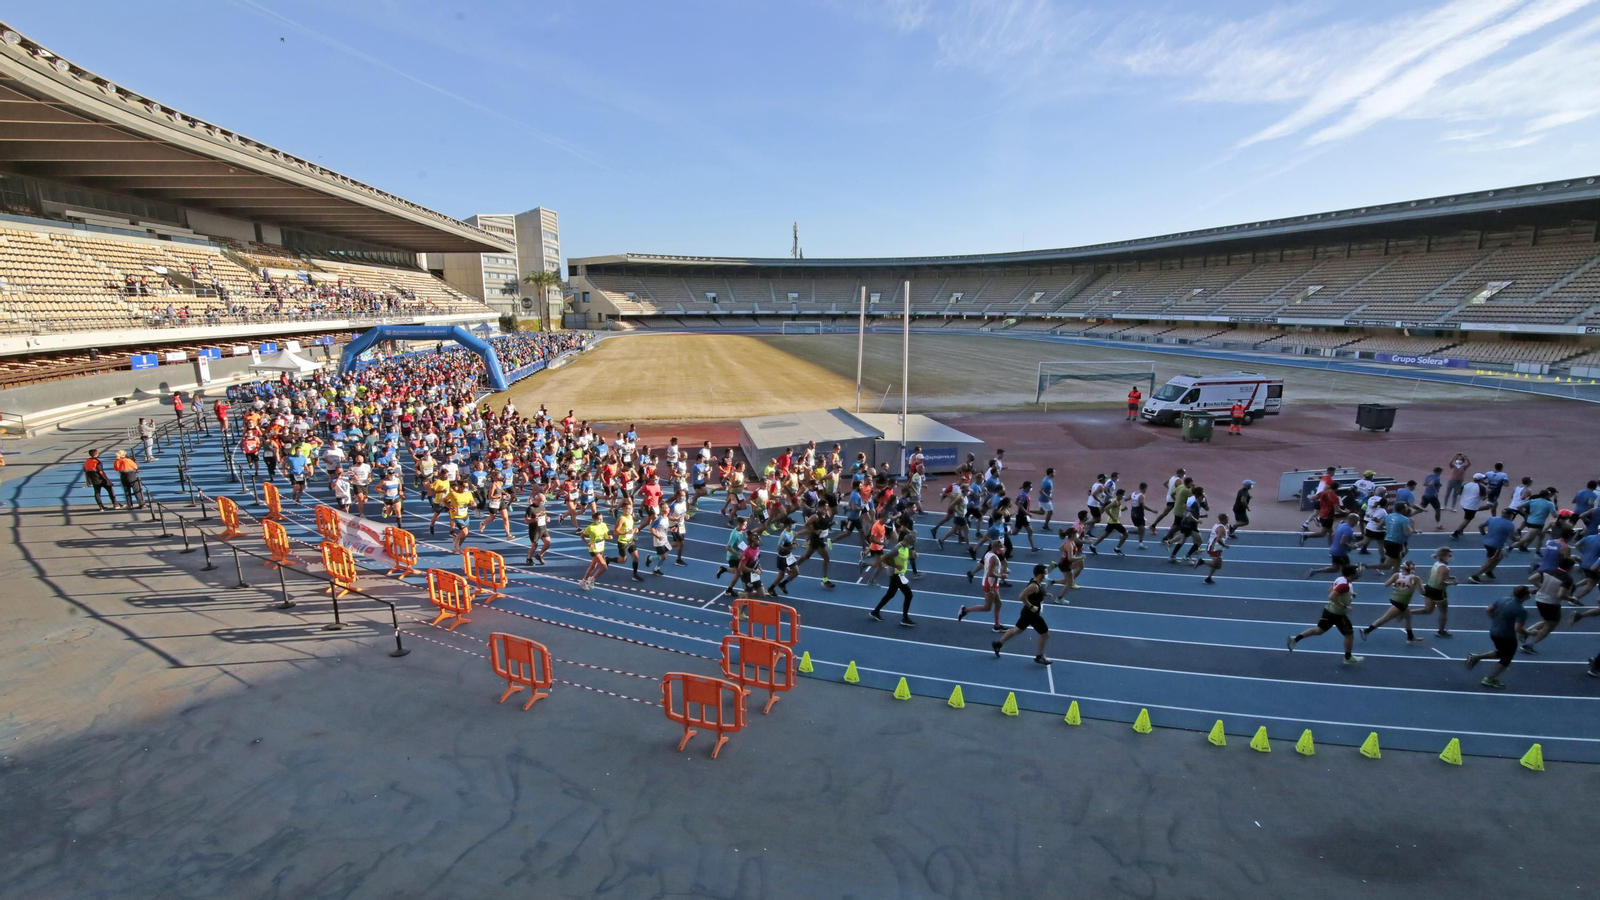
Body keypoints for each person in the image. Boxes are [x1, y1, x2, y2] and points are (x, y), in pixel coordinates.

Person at [1286, 564, 1364, 665]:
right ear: (1351, 574)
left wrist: (1349, 595)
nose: (1358, 573)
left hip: (1329, 610)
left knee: (1319, 630)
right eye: (1356, 571)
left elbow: (1331, 589)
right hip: (1338, 614)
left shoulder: (1341, 579)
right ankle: (1348, 658)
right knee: (1349, 635)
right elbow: (1331, 596)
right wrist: (1344, 606)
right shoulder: (1344, 585)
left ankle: (1295, 639)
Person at [1464, 586, 1533, 690]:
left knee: (1502, 652)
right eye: (1528, 593)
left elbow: (1489, 609)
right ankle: (1489, 679)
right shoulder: (1521, 610)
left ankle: (1476, 657)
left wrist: (1496, 619)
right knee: (1507, 658)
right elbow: (1518, 628)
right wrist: (1530, 632)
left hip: (1494, 632)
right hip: (1506, 636)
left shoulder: (1503, 599)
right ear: (1525, 596)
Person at [992, 564, 1052, 665]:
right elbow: (1022, 596)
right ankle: (1039, 656)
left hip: (1026, 613)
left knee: (1017, 630)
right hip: (1032, 615)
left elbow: (1037, 592)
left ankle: (998, 644)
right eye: (1045, 573)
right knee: (1045, 634)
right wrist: (1031, 606)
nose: (1046, 575)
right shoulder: (1033, 586)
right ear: (1039, 574)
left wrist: (1044, 594)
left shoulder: (1038, 582)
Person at [1519, 558, 1576, 654]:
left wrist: (1542, 587)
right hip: (1551, 603)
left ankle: (1526, 632)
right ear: (1570, 567)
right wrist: (1571, 599)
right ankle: (1529, 645)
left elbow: (1531, 579)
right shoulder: (1567, 578)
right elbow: (1561, 595)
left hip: (1539, 598)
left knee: (1548, 620)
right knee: (1550, 626)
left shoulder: (1549, 570)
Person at [1361, 560, 1423, 643]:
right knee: (1385, 618)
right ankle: (1366, 631)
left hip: (1396, 599)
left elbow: (1386, 584)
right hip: (1401, 602)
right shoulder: (1415, 578)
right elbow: (1422, 592)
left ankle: (1410, 636)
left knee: (1408, 616)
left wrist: (1397, 585)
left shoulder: (1397, 575)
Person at [870, 529, 917, 626]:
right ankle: (905, 618)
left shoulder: (905, 547)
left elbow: (905, 555)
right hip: (896, 575)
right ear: (906, 542)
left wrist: (912, 555)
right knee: (909, 595)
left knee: (890, 594)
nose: (911, 546)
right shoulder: (897, 549)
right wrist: (895, 566)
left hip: (900, 574)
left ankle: (875, 612)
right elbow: (884, 558)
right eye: (911, 544)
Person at [957, 540, 1007, 632]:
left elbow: (987, 568)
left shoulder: (988, 554)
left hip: (991, 583)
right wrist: (1001, 575)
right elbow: (990, 573)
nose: (1003, 549)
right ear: (996, 548)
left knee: (999, 604)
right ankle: (965, 610)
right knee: (987, 607)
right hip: (990, 584)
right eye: (1001, 548)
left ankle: (997, 626)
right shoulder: (994, 558)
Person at [1416, 546, 1458, 638]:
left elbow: (1431, 574)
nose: (1450, 558)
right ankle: (1441, 631)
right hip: (1438, 591)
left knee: (1428, 610)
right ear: (1444, 557)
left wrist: (1450, 577)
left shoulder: (1436, 564)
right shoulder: (1445, 568)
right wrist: (1452, 583)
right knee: (1444, 612)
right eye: (1449, 556)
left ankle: (1407, 613)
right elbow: (1440, 582)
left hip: (1429, 588)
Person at [1467, 511, 1516, 584]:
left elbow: (1481, 526)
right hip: (1496, 545)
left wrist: (1483, 533)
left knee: (1500, 556)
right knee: (1490, 562)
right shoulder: (1510, 525)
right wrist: (1518, 539)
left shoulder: (1493, 519)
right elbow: (1512, 538)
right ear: (1510, 515)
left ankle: (1489, 571)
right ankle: (1475, 576)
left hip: (1487, 542)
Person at [1306, 514, 1360, 579]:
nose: (1356, 523)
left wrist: (1350, 539)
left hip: (1334, 550)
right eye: (1356, 521)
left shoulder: (1342, 525)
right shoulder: (1349, 530)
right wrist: (1351, 546)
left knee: (1335, 568)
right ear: (1352, 520)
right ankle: (1342, 582)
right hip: (1340, 553)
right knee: (1347, 569)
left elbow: (1333, 534)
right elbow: (1342, 542)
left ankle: (1315, 571)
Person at [1193, 514, 1229, 585]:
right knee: (1218, 566)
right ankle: (1201, 562)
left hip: (1213, 547)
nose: (1228, 519)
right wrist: (1224, 545)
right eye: (1227, 518)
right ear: (1224, 519)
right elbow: (1218, 540)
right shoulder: (1221, 528)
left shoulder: (1216, 525)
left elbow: (1210, 534)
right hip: (1215, 549)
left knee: (1215, 564)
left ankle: (1209, 578)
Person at [579, 511, 611, 590]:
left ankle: (583, 581)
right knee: (604, 567)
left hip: (601, 548)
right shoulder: (590, 527)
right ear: (594, 519)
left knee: (593, 566)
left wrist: (609, 537)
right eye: (599, 519)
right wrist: (587, 544)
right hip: (594, 549)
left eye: (602, 519)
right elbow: (582, 536)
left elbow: (605, 535)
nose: (601, 520)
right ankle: (592, 578)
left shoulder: (603, 525)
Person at [1449, 474, 1486, 540]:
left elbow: (1459, 492)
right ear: (1481, 479)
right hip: (1471, 506)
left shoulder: (1466, 484)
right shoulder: (1482, 488)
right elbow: (1483, 498)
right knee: (1467, 520)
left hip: (1463, 503)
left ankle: (1461, 530)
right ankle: (1455, 533)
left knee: (1467, 517)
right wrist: (1488, 494)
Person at [523, 488, 551, 566]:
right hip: (535, 530)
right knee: (534, 546)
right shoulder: (530, 508)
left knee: (548, 543)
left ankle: (539, 555)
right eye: (542, 501)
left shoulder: (542, 507)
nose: (543, 503)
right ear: (537, 500)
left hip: (543, 528)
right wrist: (534, 520)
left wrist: (547, 518)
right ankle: (529, 559)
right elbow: (526, 520)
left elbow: (544, 515)